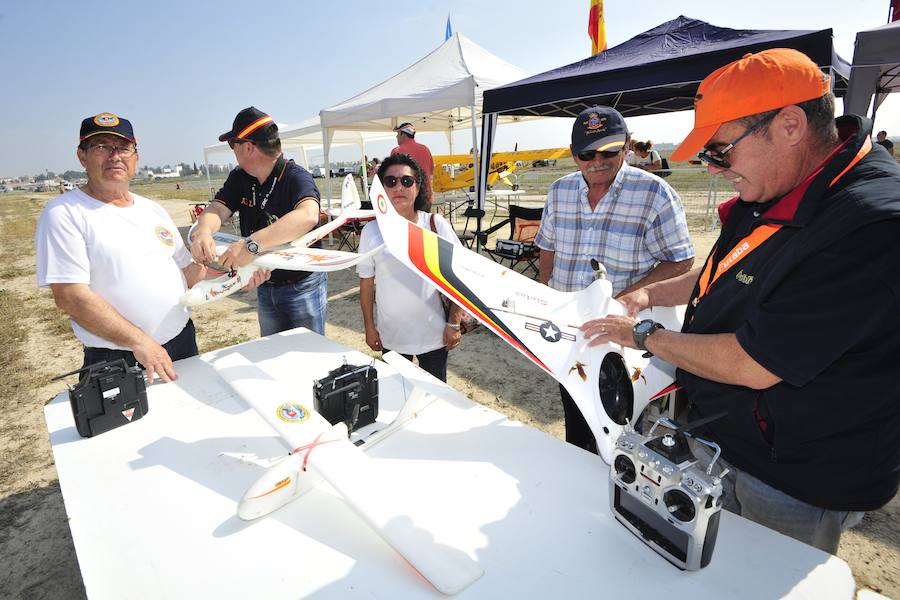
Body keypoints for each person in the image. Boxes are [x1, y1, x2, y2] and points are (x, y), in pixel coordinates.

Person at [582, 48, 900, 554]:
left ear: (790, 125)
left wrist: (644, 336)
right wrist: (646, 294)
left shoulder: (870, 225)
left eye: (719, 151)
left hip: (794, 477)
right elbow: (722, 275)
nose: (712, 170)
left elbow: (756, 363)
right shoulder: (778, 184)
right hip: (724, 440)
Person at [35, 113, 264, 383]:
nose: (114, 155)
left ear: (136, 157)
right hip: (119, 357)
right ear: (82, 156)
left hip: (181, 343)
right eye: (101, 146)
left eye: (123, 147)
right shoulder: (65, 213)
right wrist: (140, 341)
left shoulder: (152, 209)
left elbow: (189, 272)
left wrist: (239, 277)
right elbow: (71, 297)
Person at [535, 105, 695, 453]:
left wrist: (627, 299)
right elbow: (546, 249)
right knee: (575, 422)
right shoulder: (559, 191)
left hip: (623, 337)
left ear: (627, 144)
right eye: (586, 154)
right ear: (573, 153)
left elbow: (681, 260)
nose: (597, 161)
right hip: (570, 331)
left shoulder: (654, 193)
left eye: (609, 151)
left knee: (620, 428)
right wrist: (546, 299)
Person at [191, 107, 326, 336]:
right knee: (271, 354)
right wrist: (203, 231)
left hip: (300, 286)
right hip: (263, 282)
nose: (232, 151)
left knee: (309, 357)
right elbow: (217, 209)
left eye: (232, 144)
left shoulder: (295, 176)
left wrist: (250, 245)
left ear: (247, 147)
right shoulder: (239, 177)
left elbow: (308, 215)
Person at [357, 154, 464, 382]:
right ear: (382, 188)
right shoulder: (370, 232)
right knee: (396, 398)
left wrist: (454, 322)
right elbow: (366, 283)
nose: (399, 187)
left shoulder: (436, 226)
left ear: (418, 187)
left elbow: (459, 277)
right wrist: (369, 326)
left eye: (406, 181)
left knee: (434, 402)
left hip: (435, 336)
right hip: (392, 337)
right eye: (390, 181)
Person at [391, 123, 435, 208]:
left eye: (397, 134)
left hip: (406, 199)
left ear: (402, 134)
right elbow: (431, 172)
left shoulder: (397, 151)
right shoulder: (425, 149)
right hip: (425, 197)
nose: (396, 137)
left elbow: (392, 177)